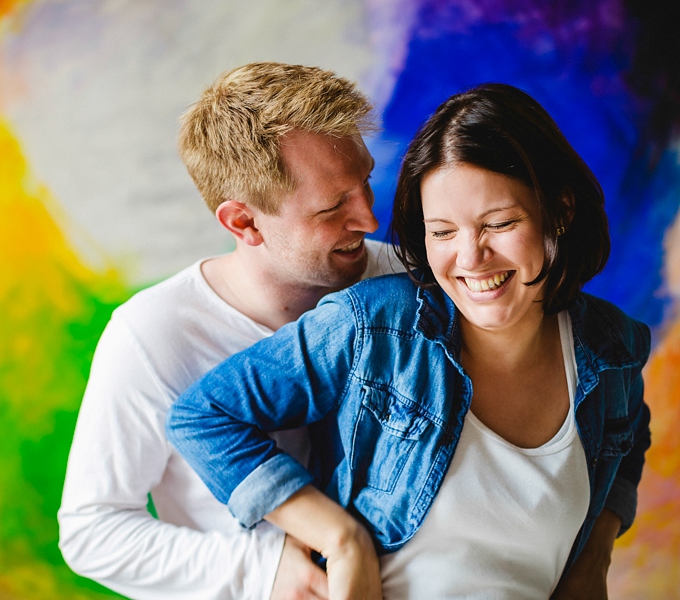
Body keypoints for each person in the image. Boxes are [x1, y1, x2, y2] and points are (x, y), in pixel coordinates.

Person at [167, 83, 651, 600]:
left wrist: (594, 557)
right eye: (442, 232)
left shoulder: (612, 348)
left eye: (500, 223)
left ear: (560, 210)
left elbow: (629, 439)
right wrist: (340, 538)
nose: (470, 258)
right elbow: (204, 416)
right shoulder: (374, 327)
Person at [58, 62, 402, 599]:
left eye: (363, 183)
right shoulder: (152, 334)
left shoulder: (407, 280)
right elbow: (92, 531)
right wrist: (260, 568)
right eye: (333, 207)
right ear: (242, 222)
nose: (369, 220)